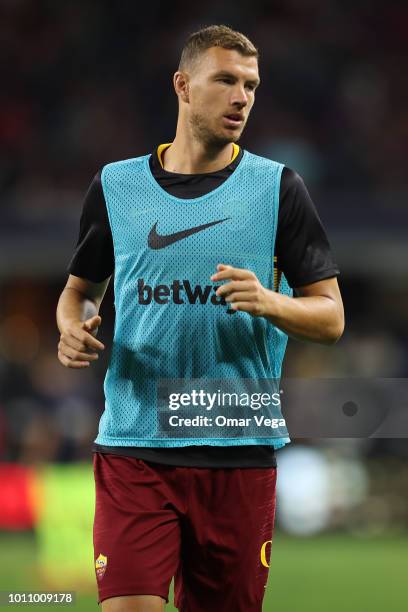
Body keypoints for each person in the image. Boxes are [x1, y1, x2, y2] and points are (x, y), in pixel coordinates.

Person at [56, 24, 344, 612]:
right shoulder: (117, 186)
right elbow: (80, 290)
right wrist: (73, 325)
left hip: (238, 447)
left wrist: (269, 301)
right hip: (136, 445)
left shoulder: (279, 188)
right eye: (226, 81)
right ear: (183, 86)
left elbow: (331, 316)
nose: (242, 98)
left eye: (251, 85)